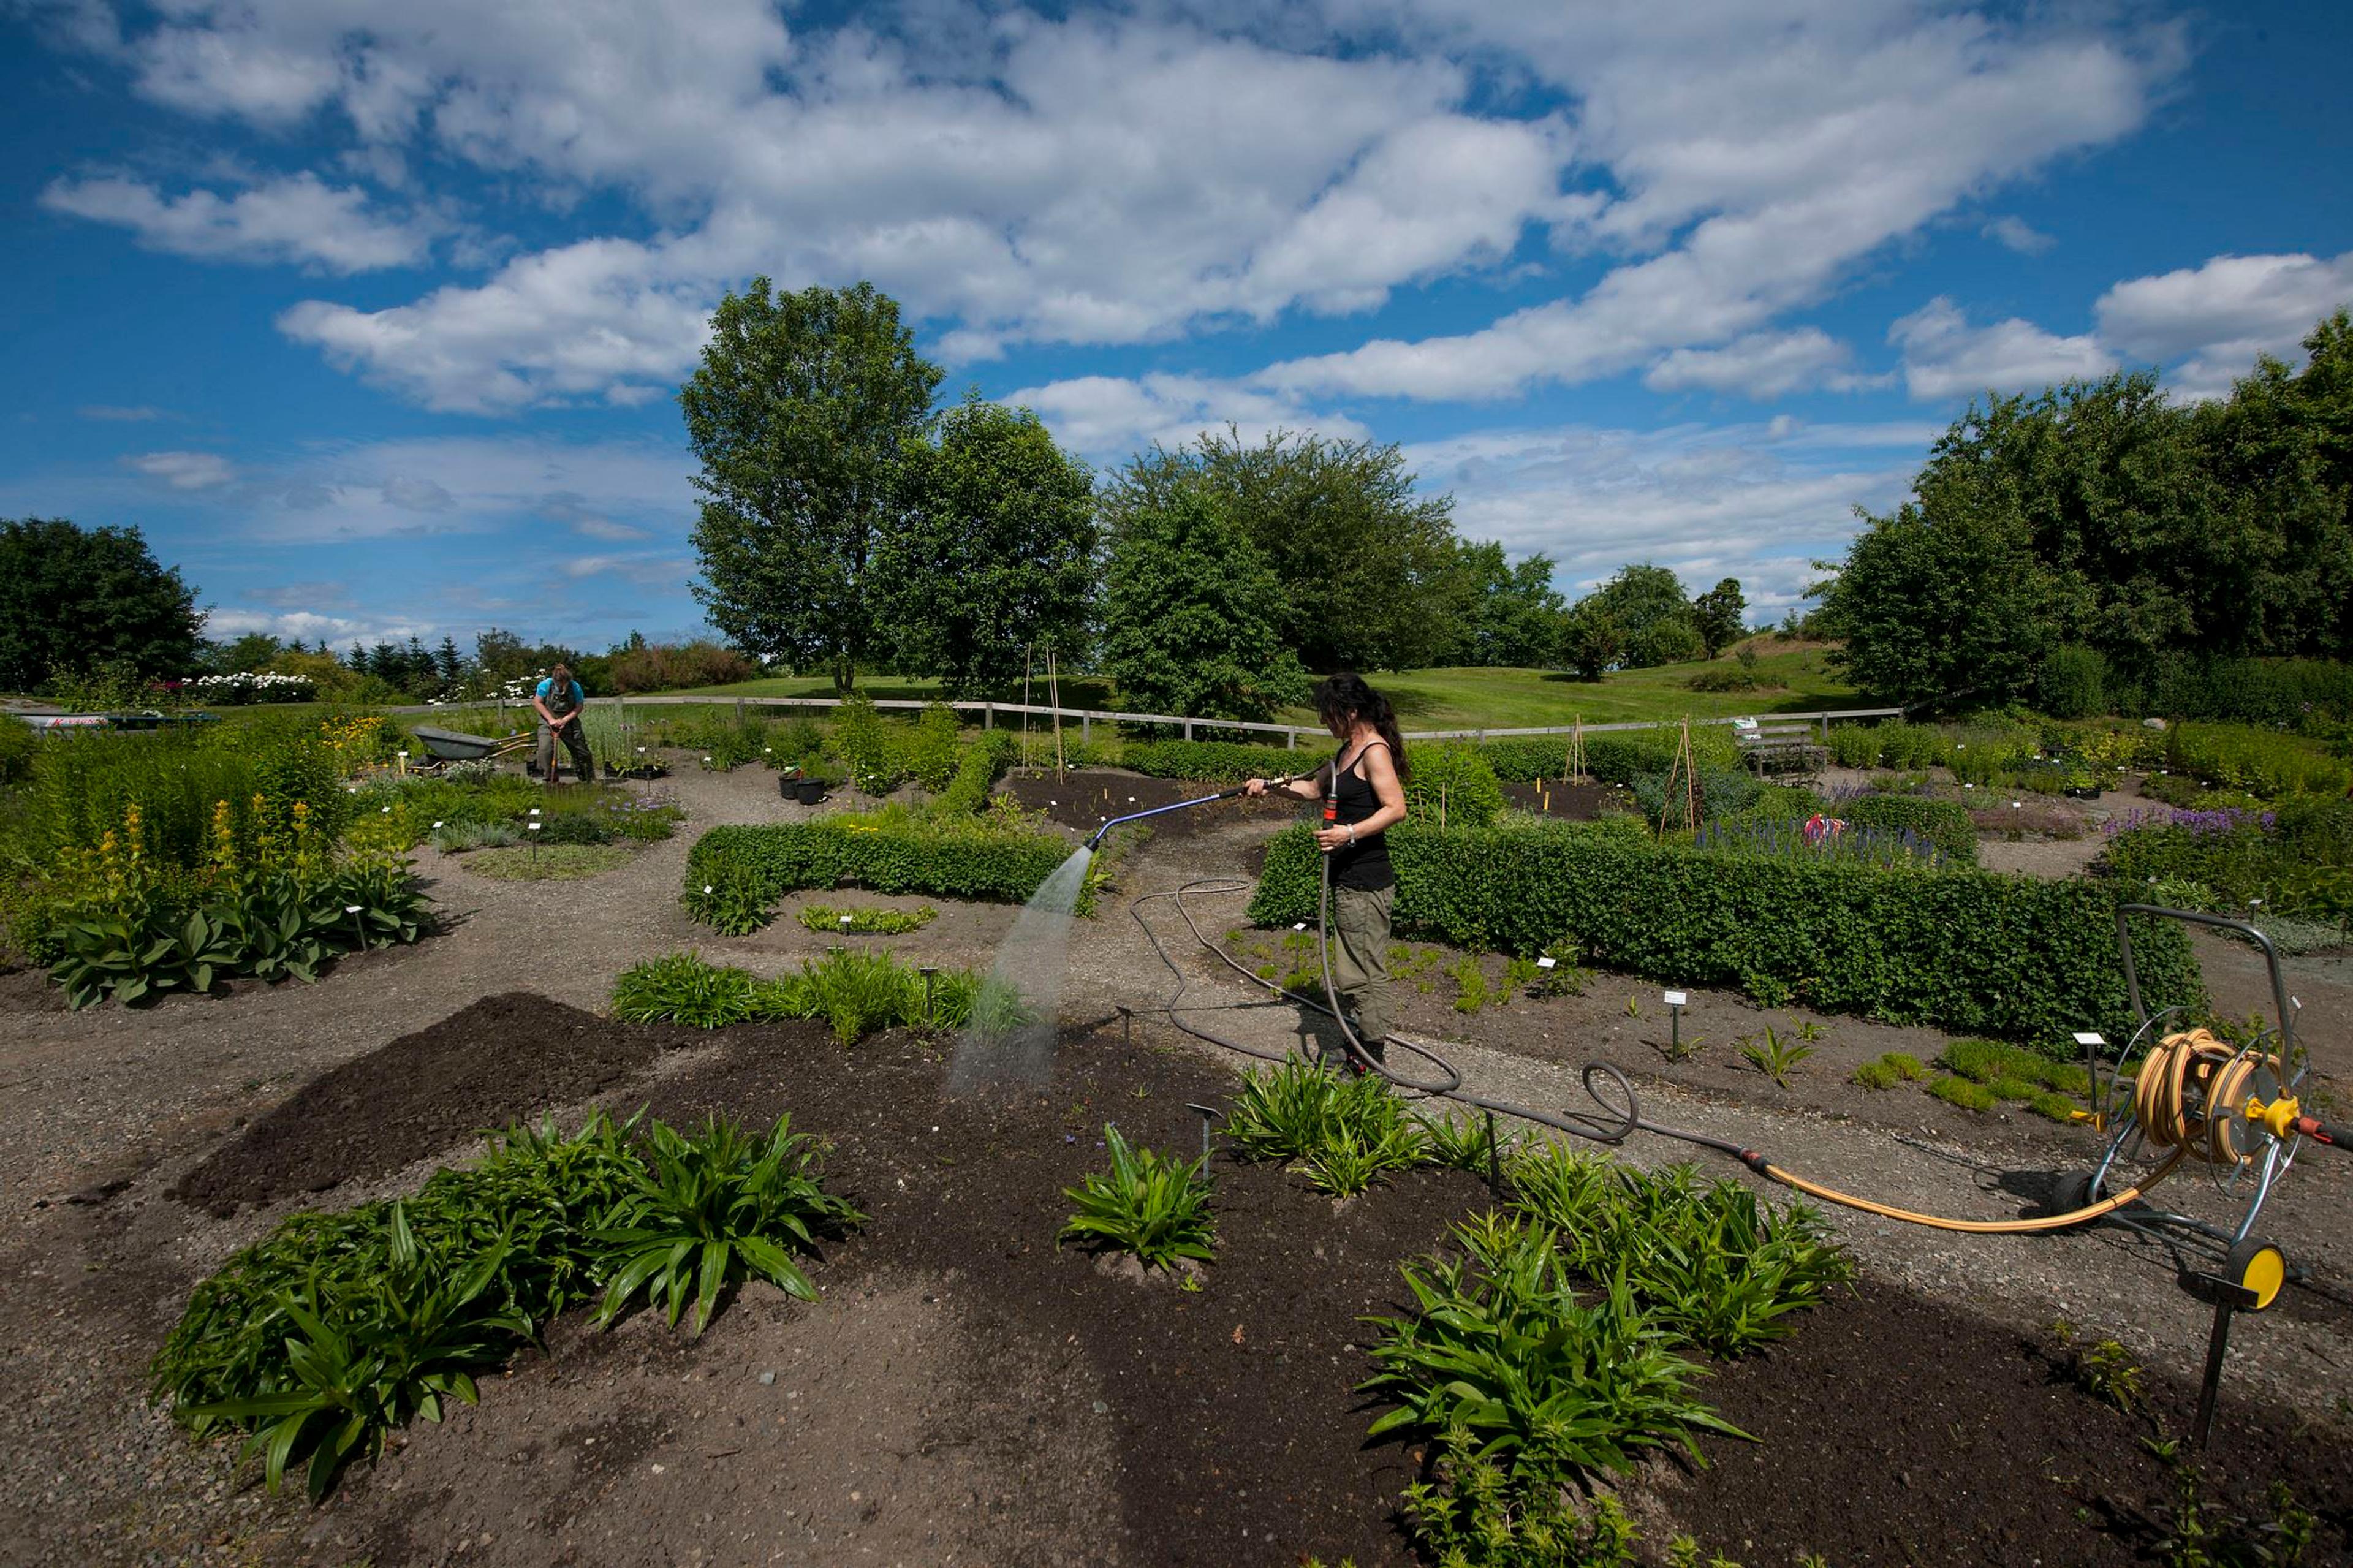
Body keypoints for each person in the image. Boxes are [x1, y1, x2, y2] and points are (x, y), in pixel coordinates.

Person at [1245, 673, 1409, 1069]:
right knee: (1351, 970)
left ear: (1352, 712)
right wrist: (1269, 786)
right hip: (1349, 881)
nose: (1325, 721)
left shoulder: (1373, 751)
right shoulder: (1345, 752)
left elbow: (1396, 808)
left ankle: (1371, 1061)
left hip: (1367, 882)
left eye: (1331, 714)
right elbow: (1313, 789)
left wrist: (1347, 834)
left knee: (1364, 973)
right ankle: (1360, 1048)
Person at [532, 662, 594, 786]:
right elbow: (538, 702)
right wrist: (551, 720)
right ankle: (550, 779)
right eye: (560, 683)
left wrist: (566, 719)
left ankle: (587, 778)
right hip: (548, 721)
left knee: (581, 750)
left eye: (565, 683)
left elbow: (579, 706)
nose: (563, 686)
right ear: (555, 680)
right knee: (545, 748)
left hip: (569, 721)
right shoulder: (546, 685)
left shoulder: (575, 687)